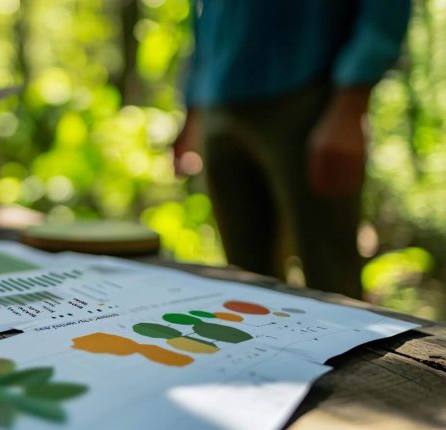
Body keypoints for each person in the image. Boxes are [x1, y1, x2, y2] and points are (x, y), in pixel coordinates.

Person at [174, 0, 411, 299]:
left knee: (330, 282)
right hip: (218, 100)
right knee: (247, 283)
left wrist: (351, 103)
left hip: (309, 96)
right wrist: (193, 105)